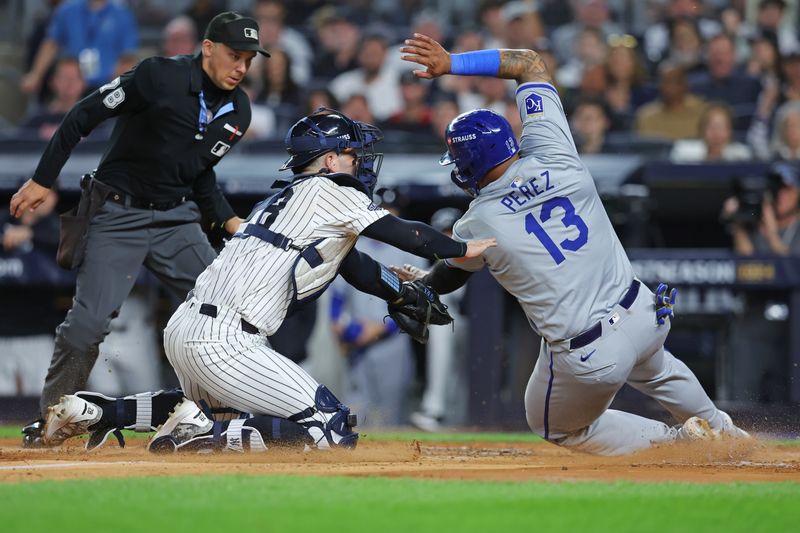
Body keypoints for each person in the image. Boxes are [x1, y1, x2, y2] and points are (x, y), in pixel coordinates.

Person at [38, 108, 495, 452]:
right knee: (331, 430)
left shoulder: (290, 198)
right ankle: (204, 436)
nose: (360, 163)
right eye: (353, 154)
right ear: (330, 158)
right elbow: (401, 232)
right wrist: (461, 249)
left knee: (214, 408)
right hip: (227, 340)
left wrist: (399, 292)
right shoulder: (329, 188)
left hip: (188, 329)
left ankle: (99, 410)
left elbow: (354, 265)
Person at [398, 33, 750, 455]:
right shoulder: (553, 150)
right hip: (643, 310)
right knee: (657, 368)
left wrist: (422, 282)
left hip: (592, 352)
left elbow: (450, 272)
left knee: (557, 428)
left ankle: (676, 443)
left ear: (468, 165)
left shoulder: (478, 220)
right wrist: (451, 62)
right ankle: (720, 430)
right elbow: (528, 61)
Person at [10, 12, 269, 448]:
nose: (241, 67)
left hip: (177, 217)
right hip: (119, 212)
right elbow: (81, 115)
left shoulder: (237, 109)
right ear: (207, 48)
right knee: (87, 323)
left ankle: (232, 413)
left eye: (247, 59)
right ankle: (52, 418)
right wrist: (43, 178)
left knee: (228, 310)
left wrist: (230, 222)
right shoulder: (157, 76)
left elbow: (200, 175)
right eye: (233, 55)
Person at [20, 0, 139, 96]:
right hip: (70, 85)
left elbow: (128, 58)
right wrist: (36, 74)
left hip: (105, 85)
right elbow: (51, 44)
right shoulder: (67, 10)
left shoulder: (123, 15)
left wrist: (117, 85)